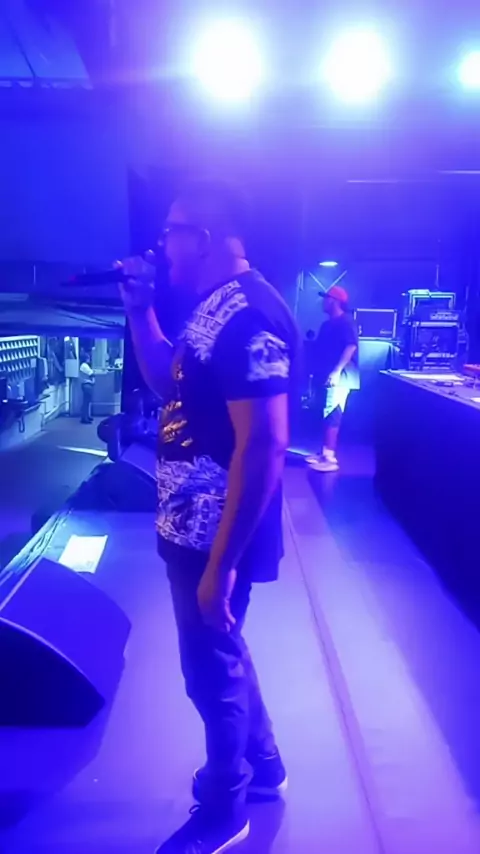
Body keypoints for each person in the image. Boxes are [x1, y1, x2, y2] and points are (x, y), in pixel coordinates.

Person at [119, 179, 298, 854]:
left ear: (206, 238)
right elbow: (168, 381)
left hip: (214, 537)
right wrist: (140, 310)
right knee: (223, 647)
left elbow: (267, 444)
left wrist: (221, 566)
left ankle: (226, 807)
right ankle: (264, 763)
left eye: (172, 233)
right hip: (191, 529)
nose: (163, 246)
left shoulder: (250, 317)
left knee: (208, 669)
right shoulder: (211, 308)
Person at [306, 285, 358, 472]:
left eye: (326, 298)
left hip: (341, 376)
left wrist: (336, 371)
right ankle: (323, 453)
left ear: (334, 301)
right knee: (325, 411)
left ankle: (329, 457)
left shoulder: (346, 322)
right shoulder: (327, 325)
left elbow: (350, 346)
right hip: (327, 375)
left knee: (332, 412)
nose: (323, 302)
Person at [79, 352, 95, 424]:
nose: (89, 359)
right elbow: (91, 373)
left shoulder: (83, 365)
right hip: (87, 385)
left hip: (86, 384)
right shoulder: (84, 365)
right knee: (86, 402)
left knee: (87, 402)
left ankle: (86, 416)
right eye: (88, 358)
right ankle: (84, 418)